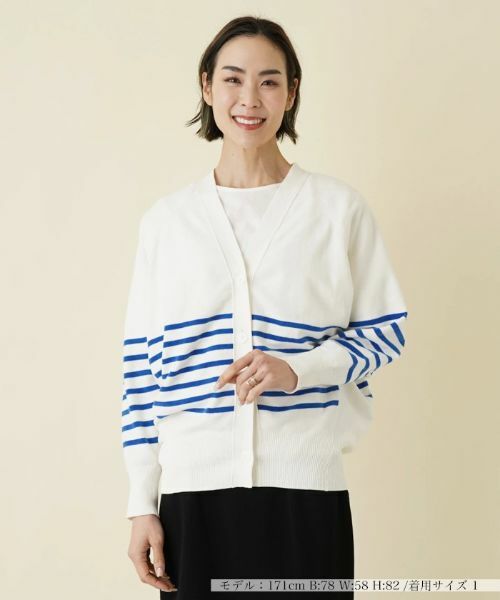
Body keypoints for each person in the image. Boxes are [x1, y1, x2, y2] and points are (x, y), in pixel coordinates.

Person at [120, 15, 409, 599]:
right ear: (207, 87)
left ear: (291, 93)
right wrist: (141, 501)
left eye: (269, 81)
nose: (250, 99)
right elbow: (140, 375)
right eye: (233, 79)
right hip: (191, 498)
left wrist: (299, 368)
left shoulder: (338, 210)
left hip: (305, 494)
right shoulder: (167, 224)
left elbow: (385, 333)